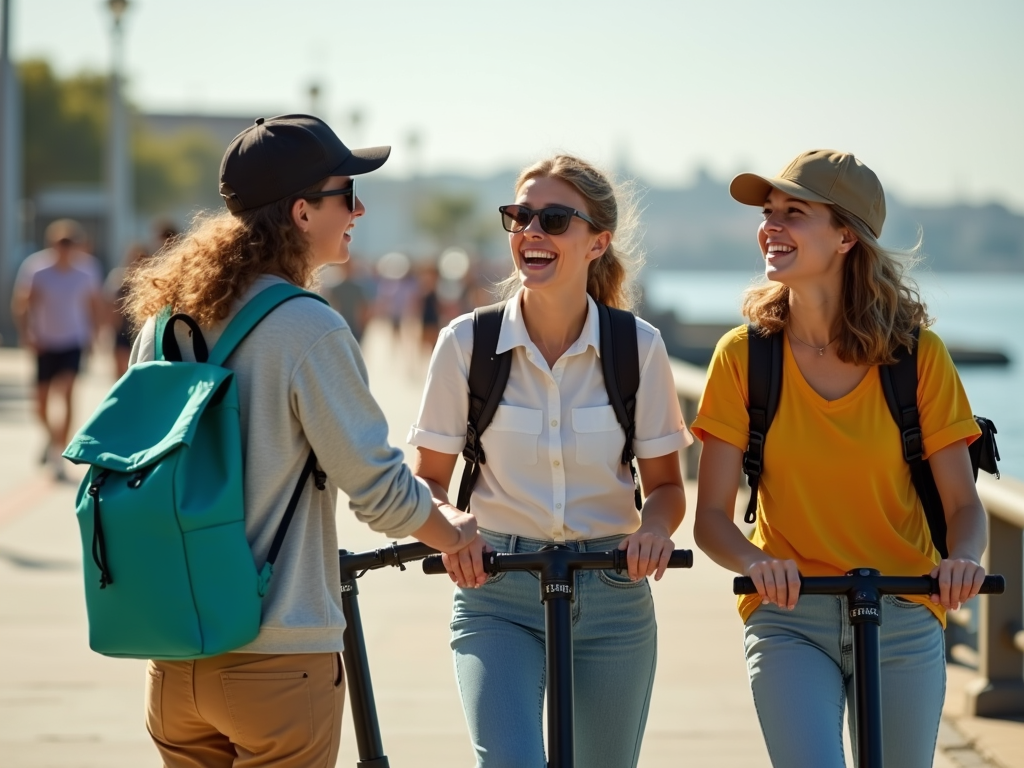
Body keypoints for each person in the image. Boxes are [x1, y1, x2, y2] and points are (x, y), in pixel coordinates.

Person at [124, 114, 478, 768]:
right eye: (347, 193)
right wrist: (454, 531)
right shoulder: (305, 326)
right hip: (278, 661)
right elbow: (378, 490)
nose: (359, 208)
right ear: (301, 211)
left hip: (173, 655)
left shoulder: (163, 326)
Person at [691, 150, 988, 768]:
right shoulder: (742, 357)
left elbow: (963, 505)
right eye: (768, 213)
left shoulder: (918, 357)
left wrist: (962, 559)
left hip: (904, 612)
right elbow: (712, 519)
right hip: (788, 619)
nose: (771, 225)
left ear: (846, 235)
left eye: (793, 213)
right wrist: (757, 561)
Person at [409, 154, 691, 768]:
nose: (531, 232)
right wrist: (450, 530)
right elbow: (428, 482)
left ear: (598, 242)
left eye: (555, 220)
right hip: (496, 590)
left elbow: (668, 488)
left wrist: (653, 530)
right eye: (520, 217)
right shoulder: (466, 343)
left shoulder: (638, 348)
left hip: (615, 592)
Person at [11, 218, 104, 480]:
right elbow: (22, 303)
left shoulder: (87, 270)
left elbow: (94, 305)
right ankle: (52, 438)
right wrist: (27, 332)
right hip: (45, 341)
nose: (64, 249)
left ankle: (59, 454)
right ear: (51, 244)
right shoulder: (37, 268)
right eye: (59, 244)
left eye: (68, 243)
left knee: (66, 392)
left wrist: (95, 337)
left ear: (76, 245)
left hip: (73, 341)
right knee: (40, 402)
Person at [104, 242, 149, 379]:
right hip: (122, 328)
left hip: (141, 329)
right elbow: (111, 303)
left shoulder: (150, 279)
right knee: (120, 368)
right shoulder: (119, 277)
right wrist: (110, 326)